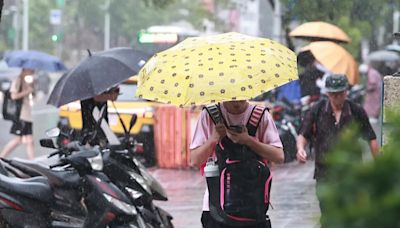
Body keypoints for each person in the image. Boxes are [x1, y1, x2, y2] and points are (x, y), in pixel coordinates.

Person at [190, 100, 284, 228]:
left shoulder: (260, 115)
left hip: (253, 207)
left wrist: (248, 141)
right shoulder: (208, 115)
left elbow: (279, 156)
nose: (237, 103)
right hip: (216, 209)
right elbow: (194, 160)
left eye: (241, 98)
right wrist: (214, 138)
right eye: (232, 99)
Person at [296, 74, 379, 214]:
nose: (337, 97)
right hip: (324, 173)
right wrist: (300, 149)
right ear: (328, 93)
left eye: (340, 93)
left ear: (346, 92)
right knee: (328, 214)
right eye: (333, 94)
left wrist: (378, 165)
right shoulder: (318, 109)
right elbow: (303, 134)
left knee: (350, 214)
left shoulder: (356, 111)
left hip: (351, 173)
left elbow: (371, 138)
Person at [0, 69, 35, 159]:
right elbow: (13, 96)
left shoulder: (25, 80)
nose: (33, 71)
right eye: (31, 69)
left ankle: (33, 162)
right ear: (25, 70)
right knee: (18, 140)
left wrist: (30, 88)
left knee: (29, 141)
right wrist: (27, 91)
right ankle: (1, 157)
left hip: (27, 116)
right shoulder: (17, 80)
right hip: (21, 116)